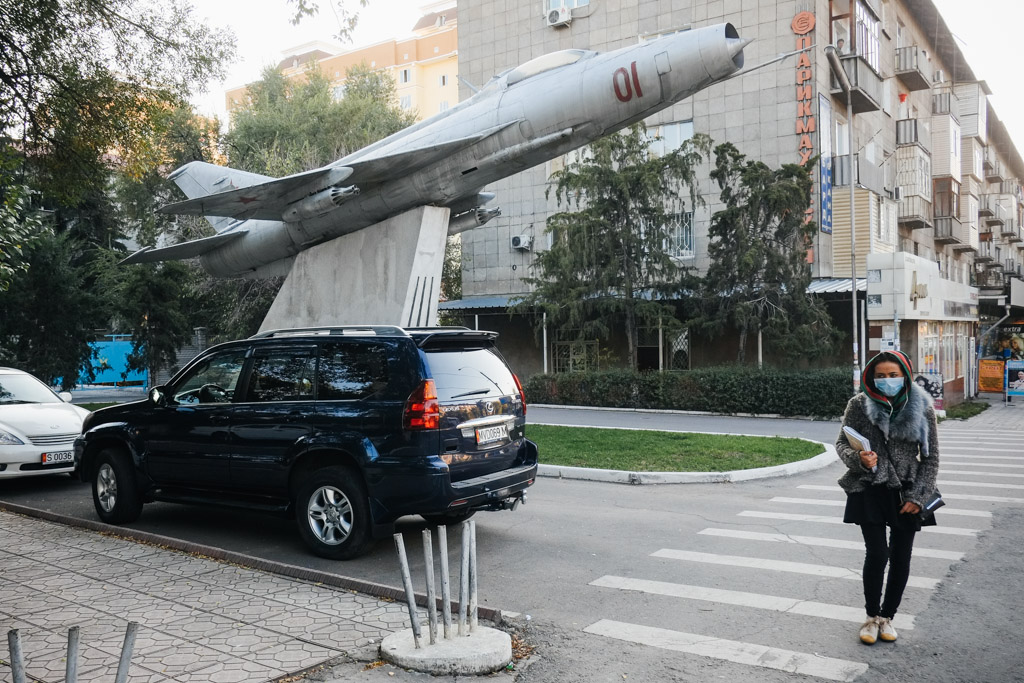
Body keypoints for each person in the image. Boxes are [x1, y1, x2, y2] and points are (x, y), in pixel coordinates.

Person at [836, 350, 940, 645]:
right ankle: (871, 617)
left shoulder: (922, 409)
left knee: (900, 557)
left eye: (893, 375)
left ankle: (887, 617)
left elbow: (931, 459)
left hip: (907, 491)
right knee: (878, 554)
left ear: (905, 375)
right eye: (880, 376)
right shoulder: (858, 404)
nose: (887, 381)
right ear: (871, 377)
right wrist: (859, 459)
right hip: (870, 487)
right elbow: (842, 441)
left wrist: (919, 497)